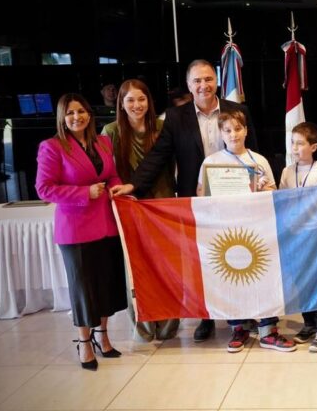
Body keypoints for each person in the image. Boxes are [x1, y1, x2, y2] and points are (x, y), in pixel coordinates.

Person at [110, 59, 258, 345]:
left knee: (239, 253)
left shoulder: (237, 110)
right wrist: (133, 184)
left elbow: (255, 151)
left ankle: (243, 314)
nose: (203, 85)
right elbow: (159, 155)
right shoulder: (175, 117)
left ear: (216, 80)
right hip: (197, 201)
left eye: (208, 79)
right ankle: (206, 318)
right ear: (189, 86)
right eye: (196, 81)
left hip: (237, 199)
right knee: (204, 260)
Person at [35, 93, 127, 371]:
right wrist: (83, 192)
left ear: (90, 113)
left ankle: (103, 337)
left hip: (106, 224)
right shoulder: (52, 147)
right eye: (71, 112)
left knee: (105, 286)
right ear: (63, 117)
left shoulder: (103, 141)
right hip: (75, 230)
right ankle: (84, 343)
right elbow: (44, 189)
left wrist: (117, 186)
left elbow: (110, 174)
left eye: (82, 111)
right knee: (84, 290)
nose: (77, 117)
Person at [195, 110, 295, 353]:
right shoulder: (211, 162)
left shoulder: (259, 161)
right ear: (221, 133)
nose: (233, 134)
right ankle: (238, 327)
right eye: (227, 130)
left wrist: (264, 188)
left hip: (258, 231)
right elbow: (200, 194)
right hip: (227, 232)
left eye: (238, 129)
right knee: (233, 279)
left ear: (246, 130)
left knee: (263, 278)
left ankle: (268, 330)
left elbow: (273, 195)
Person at [101, 79, 180, 342]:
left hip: (163, 206)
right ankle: (144, 327)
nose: (137, 105)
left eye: (141, 99)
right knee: (136, 270)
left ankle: (169, 325)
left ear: (150, 101)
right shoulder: (110, 132)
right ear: (121, 104)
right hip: (129, 210)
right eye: (130, 100)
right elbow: (106, 173)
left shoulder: (163, 126)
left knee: (167, 267)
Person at [279, 122, 317, 352]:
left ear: (313, 147)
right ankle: (309, 323)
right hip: (295, 235)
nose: (294, 148)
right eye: (292, 142)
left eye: (300, 143)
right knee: (302, 281)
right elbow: (282, 201)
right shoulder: (286, 171)